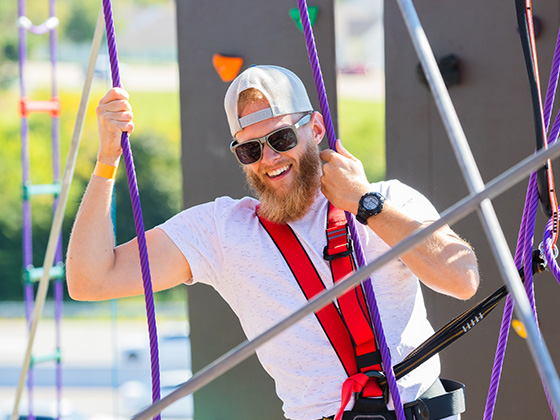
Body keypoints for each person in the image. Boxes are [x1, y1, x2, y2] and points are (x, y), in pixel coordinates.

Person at [66, 65, 479, 420]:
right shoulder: (223, 231)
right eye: (250, 149)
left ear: (315, 128)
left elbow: (462, 278)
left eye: (280, 139)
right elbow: (91, 280)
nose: (269, 158)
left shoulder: (388, 201)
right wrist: (107, 159)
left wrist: (364, 204)